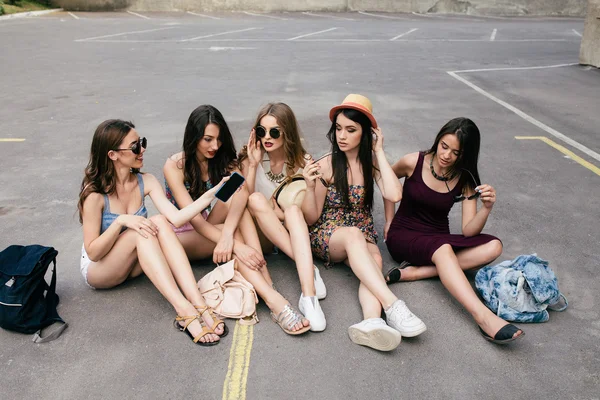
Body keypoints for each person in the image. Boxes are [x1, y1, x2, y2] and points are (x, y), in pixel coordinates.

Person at [78, 119, 228, 346]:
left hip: (135, 260)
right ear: (113, 155)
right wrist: (121, 222)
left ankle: (198, 302)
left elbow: (176, 218)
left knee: (159, 221)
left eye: (142, 143)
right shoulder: (95, 195)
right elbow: (93, 253)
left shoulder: (145, 180)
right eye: (135, 146)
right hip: (101, 269)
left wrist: (210, 196)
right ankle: (184, 308)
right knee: (140, 229)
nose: (143, 150)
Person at [302, 94, 426, 352]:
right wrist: (310, 185)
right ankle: (393, 305)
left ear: (366, 134)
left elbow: (395, 194)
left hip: (360, 233)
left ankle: (371, 322)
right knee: (353, 236)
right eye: (338, 128)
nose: (342, 136)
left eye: (350, 130)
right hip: (329, 234)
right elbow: (312, 218)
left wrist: (379, 152)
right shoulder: (326, 165)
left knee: (375, 260)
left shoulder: (372, 164)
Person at [383, 117, 524, 344]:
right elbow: (385, 180)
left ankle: (417, 272)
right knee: (443, 250)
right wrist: (389, 219)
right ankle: (484, 318)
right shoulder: (413, 161)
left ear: (464, 155)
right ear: (438, 140)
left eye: (455, 152)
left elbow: (468, 231)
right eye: (444, 146)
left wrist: (487, 208)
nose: (446, 155)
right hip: (404, 235)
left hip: (438, 238)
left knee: (493, 246)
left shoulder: (464, 178)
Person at [238, 102, 327, 332]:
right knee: (256, 199)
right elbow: (243, 203)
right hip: (263, 238)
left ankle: (309, 297)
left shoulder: (303, 162)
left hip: (293, 232)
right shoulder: (252, 158)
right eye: (261, 131)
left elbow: (312, 217)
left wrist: (309, 186)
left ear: (287, 132)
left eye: (274, 132)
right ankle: (309, 267)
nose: (267, 137)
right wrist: (254, 165)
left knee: (294, 211)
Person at [163, 105, 266, 271]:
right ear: (194, 137)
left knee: (237, 203)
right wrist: (234, 244)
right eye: (208, 139)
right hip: (180, 234)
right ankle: (267, 286)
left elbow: (242, 193)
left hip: (207, 224)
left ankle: (266, 283)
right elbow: (194, 219)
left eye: (219, 139)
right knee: (236, 234)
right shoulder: (175, 166)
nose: (215, 146)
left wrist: (226, 235)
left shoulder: (220, 159)